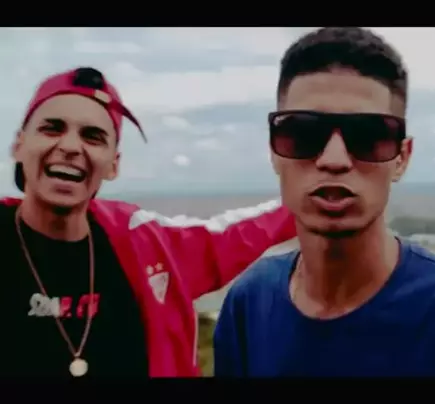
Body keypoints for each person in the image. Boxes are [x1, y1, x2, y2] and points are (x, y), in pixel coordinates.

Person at [213, 27, 435, 377]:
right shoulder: (251, 305)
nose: (334, 159)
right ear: (274, 151)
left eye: (368, 135)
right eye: (303, 133)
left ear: (402, 157)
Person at [3, 66, 296, 377]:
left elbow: (238, 234)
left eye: (93, 137)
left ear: (113, 165)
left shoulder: (149, 247)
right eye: (52, 129)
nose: (71, 147)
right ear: (19, 146)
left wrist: (316, 195)